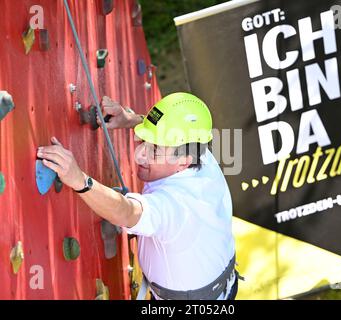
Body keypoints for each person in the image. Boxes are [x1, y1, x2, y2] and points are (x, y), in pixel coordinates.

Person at [37, 92, 237, 300]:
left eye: (155, 150)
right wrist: (131, 120)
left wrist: (79, 179)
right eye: (143, 140)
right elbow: (172, 135)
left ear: (184, 161)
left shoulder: (177, 206)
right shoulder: (197, 150)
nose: (140, 153)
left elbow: (126, 212)